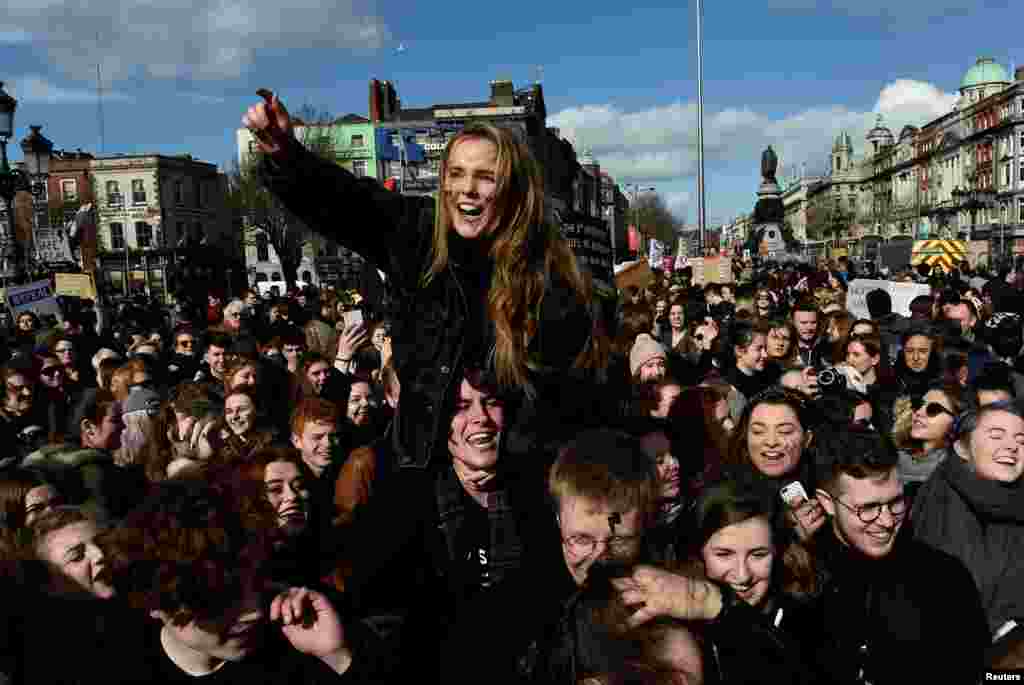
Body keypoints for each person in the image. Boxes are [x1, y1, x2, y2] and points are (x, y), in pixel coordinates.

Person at [247, 94, 593, 473]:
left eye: (485, 177)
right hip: (423, 475)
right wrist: (287, 155)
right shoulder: (420, 238)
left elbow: (562, 407)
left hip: (512, 484)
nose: (467, 190)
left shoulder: (549, 281)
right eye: (457, 174)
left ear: (513, 189)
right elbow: (351, 204)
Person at [97, 478, 394, 683]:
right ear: (155, 602)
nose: (255, 609)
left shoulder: (303, 641)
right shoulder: (115, 667)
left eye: (256, 582)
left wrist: (340, 659)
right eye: (221, 598)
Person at [801, 426, 989, 685]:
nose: (887, 521)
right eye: (868, 508)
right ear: (826, 503)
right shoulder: (802, 583)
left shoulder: (944, 577)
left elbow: (977, 671)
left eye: (895, 502)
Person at [912, 400, 1024, 647]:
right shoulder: (941, 498)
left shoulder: (1012, 499)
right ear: (962, 449)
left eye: (1022, 440)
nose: (1012, 446)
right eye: (996, 436)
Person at [895, 382, 962, 502]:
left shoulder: (956, 471)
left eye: (933, 410)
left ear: (957, 421)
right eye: (919, 405)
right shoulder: (892, 457)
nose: (919, 413)